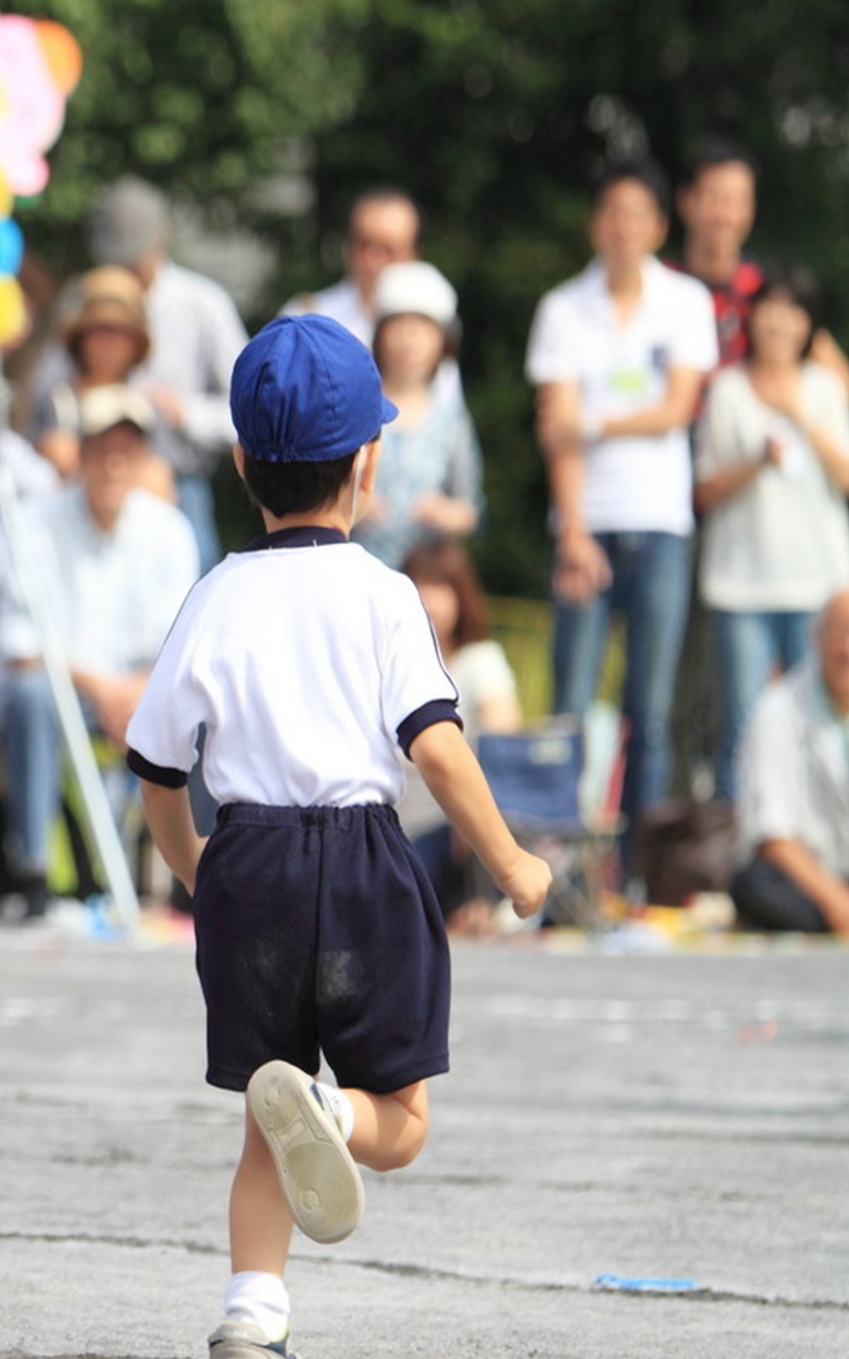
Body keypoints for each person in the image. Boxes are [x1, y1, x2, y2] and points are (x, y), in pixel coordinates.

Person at [123, 314, 550, 1359]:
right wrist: (509, 863)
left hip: (249, 863)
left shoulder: (214, 593)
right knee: (395, 1118)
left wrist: (193, 871)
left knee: (263, 1118)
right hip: (360, 860)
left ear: (236, 461)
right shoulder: (382, 592)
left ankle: (247, 1327)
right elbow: (437, 750)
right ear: (369, 459)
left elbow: (154, 768)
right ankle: (335, 1114)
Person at [527, 159, 717, 840]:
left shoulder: (687, 302)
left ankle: (644, 870)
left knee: (652, 708)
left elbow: (677, 409)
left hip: (662, 524)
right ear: (594, 223)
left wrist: (594, 420)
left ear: (660, 226)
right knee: (570, 704)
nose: (623, 227)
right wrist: (572, 528)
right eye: (612, 212)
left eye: (637, 214)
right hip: (585, 524)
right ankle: (557, 861)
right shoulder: (562, 308)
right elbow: (556, 433)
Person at [0, 386, 198, 914]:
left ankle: (193, 874)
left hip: (144, 691)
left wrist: (136, 691)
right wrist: (102, 688)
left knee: (202, 704)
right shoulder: (35, 522)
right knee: (29, 697)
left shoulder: (169, 530)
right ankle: (35, 869)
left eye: (125, 453)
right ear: (81, 454)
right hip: (69, 695)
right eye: (102, 451)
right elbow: (15, 643)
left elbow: (185, 643)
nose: (112, 466)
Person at [693, 264, 849, 798]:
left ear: (808, 325)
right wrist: (756, 462)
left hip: (819, 585)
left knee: (821, 722)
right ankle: (735, 849)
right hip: (742, 587)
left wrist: (802, 417)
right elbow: (705, 489)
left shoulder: (825, 388)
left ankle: (820, 852)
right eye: (771, 311)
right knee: (742, 724)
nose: (780, 325)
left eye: (794, 314)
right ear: (753, 318)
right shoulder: (727, 391)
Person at [87, 176, 246, 567]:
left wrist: (186, 413)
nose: (125, 266)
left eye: (133, 255)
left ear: (159, 241)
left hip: (181, 486)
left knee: (189, 608)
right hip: (97, 483)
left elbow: (252, 409)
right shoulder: (88, 300)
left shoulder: (202, 304)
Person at [670, 140, 849, 403]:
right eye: (714, 197)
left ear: (751, 208)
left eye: (737, 200)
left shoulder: (767, 289)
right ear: (686, 201)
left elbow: (844, 387)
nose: (725, 214)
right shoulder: (657, 286)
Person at [397, 540, 524, 928]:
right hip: (393, 824)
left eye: (439, 586)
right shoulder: (393, 665)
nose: (427, 600)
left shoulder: (479, 661)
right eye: (417, 586)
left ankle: (475, 902)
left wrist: (470, 820)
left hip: (453, 826)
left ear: (460, 595)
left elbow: (503, 747)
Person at [729, 584, 849, 937]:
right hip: (804, 881)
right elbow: (772, 836)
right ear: (817, 638)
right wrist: (835, 900)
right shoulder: (776, 710)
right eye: (841, 633)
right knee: (754, 887)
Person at [354, 262, 482, 568]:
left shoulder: (452, 420)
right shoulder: (354, 412)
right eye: (398, 327)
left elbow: (471, 509)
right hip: (359, 573)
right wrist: (354, 506)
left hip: (425, 581)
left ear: (443, 341)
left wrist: (443, 512)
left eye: (422, 329)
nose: (409, 340)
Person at [28, 265, 174, 503]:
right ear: (80, 338)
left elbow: (158, 480)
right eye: (99, 330)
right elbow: (48, 464)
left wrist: (94, 470)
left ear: (136, 342)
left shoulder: (150, 403)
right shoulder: (58, 401)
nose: (108, 341)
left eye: (120, 331)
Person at [281, 188, 421, 344]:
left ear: (412, 254)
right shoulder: (305, 318)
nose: (372, 260)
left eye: (388, 250)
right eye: (363, 245)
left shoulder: (431, 321)